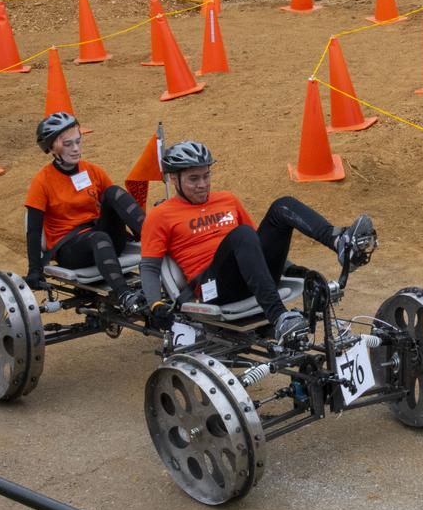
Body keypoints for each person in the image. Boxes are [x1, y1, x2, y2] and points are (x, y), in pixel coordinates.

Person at [139, 141, 375, 341]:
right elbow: (149, 267)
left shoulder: (227, 199)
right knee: (241, 234)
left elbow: (255, 248)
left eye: (206, 176)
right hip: (213, 288)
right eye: (193, 179)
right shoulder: (161, 215)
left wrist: (291, 269)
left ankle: (340, 242)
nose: (202, 184)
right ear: (174, 179)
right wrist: (155, 305)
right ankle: (279, 317)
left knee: (283, 205)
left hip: (253, 277)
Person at [24, 113, 146, 312]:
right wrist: (34, 270)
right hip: (71, 250)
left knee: (113, 192)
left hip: (103, 238)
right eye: (68, 144)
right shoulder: (42, 181)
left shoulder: (92, 170)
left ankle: (154, 237)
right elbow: (34, 231)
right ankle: (124, 295)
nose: (76, 149)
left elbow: (116, 204)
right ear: (52, 148)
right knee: (99, 237)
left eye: (78, 141)